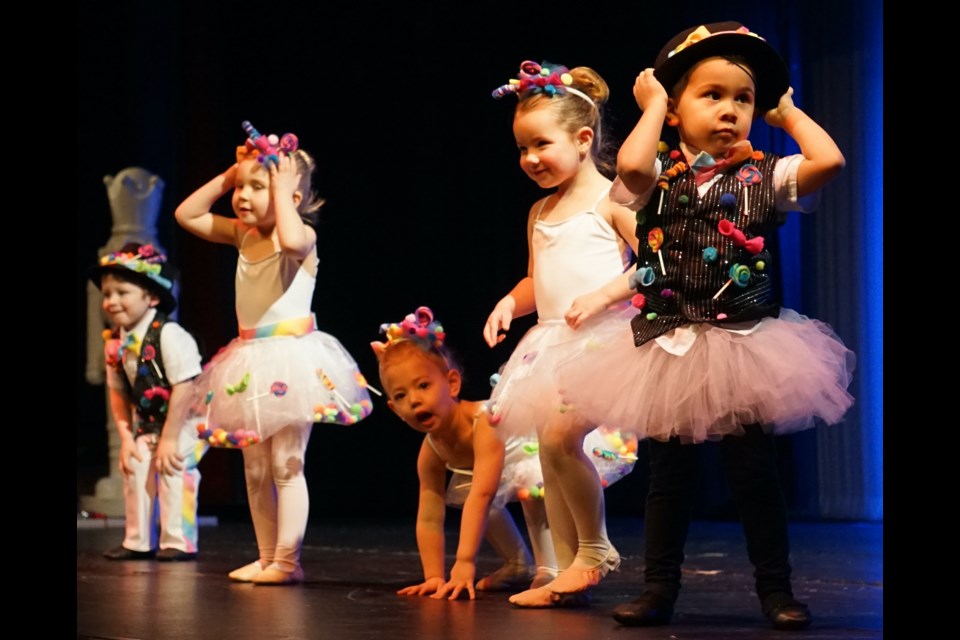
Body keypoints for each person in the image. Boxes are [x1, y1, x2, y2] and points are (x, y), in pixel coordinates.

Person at [556, 23, 855, 630]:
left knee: (754, 475)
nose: (729, 111)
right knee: (670, 478)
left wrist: (787, 113)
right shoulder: (656, 172)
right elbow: (633, 166)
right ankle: (659, 589)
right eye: (710, 95)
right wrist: (656, 103)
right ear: (676, 109)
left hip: (744, 344)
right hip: (672, 342)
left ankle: (776, 591)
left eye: (741, 99)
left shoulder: (765, 175)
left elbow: (830, 161)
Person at [174, 123, 374, 585]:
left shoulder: (300, 235)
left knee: (287, 464)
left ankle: (288, 560)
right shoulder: (244, 235)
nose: (242, 196)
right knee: (255, 468)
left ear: (292, 198)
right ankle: (267, 557)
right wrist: (230, 174)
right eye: (240, 188)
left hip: (291, 359)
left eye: (255, 187)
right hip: (249, 358)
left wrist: (282, 192)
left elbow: (292, 240)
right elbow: (187, 214)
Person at [482, 60, 642, 608]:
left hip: (602, 343)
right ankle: (569, 569)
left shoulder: (613, 201)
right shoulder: (539, 210)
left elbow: (656, 266)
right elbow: (537, 277)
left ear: (582, 138)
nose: (529, 159)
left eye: (540, 145)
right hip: (549, 346)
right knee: (547, 458)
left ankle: (593, 552)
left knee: (556, 441)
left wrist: (603, 295)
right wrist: (510, 301)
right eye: (521, 148)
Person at [374, 306, 557, 601]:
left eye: (423, 385)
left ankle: (549, 568)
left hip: (531, 451)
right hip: (495, 474)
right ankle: (517, 564)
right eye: (401, 396)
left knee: (525, 485)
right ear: (395, 410)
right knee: (471, 492)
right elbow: (429, 518)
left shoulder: (483, 422)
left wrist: (464, 563)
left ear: (452, 383)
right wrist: (434, 576)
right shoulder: (431, 451)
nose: (415, 400)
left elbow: (483, 496)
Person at [91, 242, 208, 562]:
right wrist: (127, 438)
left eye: (122, 292)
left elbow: (184, 388)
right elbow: (118, 391)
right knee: (137, 466)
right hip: (150, 422)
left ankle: (178, 540)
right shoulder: (115, 341)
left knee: (174, 467)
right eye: (107, 294)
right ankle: (137, 540)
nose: (112, 301)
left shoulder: (169, 334)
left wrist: (170, 439)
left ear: (151, 297)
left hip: (186, 421)